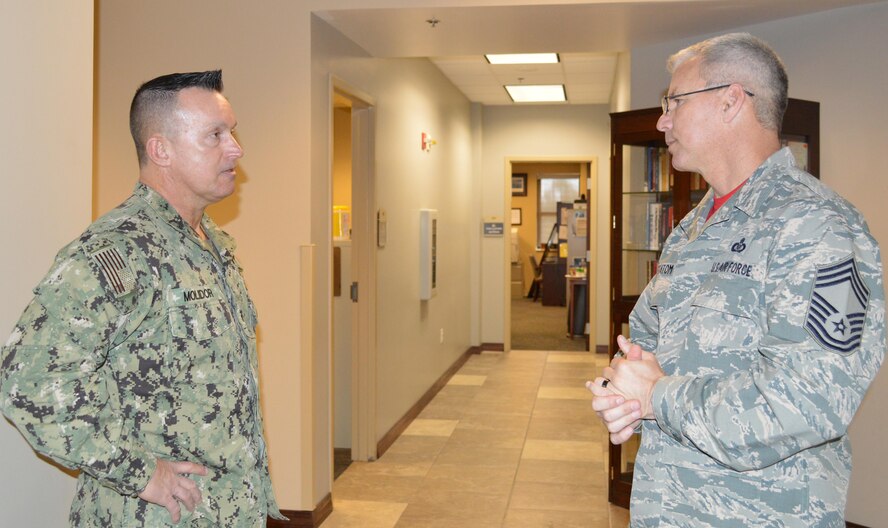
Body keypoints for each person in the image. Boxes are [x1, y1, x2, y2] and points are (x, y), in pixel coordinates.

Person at [589, 33, 885, 527]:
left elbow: (809, 401)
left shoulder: (817, 226)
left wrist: (655, 396)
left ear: (730, 101)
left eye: (674, 102)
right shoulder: (693, 227)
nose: (663, 120)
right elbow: (643, 342)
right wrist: (620, 392)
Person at [0, 70, 285, 527]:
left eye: (231, 132)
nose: (236, 148)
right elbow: (28, 382)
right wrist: (140, 473)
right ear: (161, 149)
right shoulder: (116, 252)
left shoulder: (213, 247)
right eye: (215, 135)